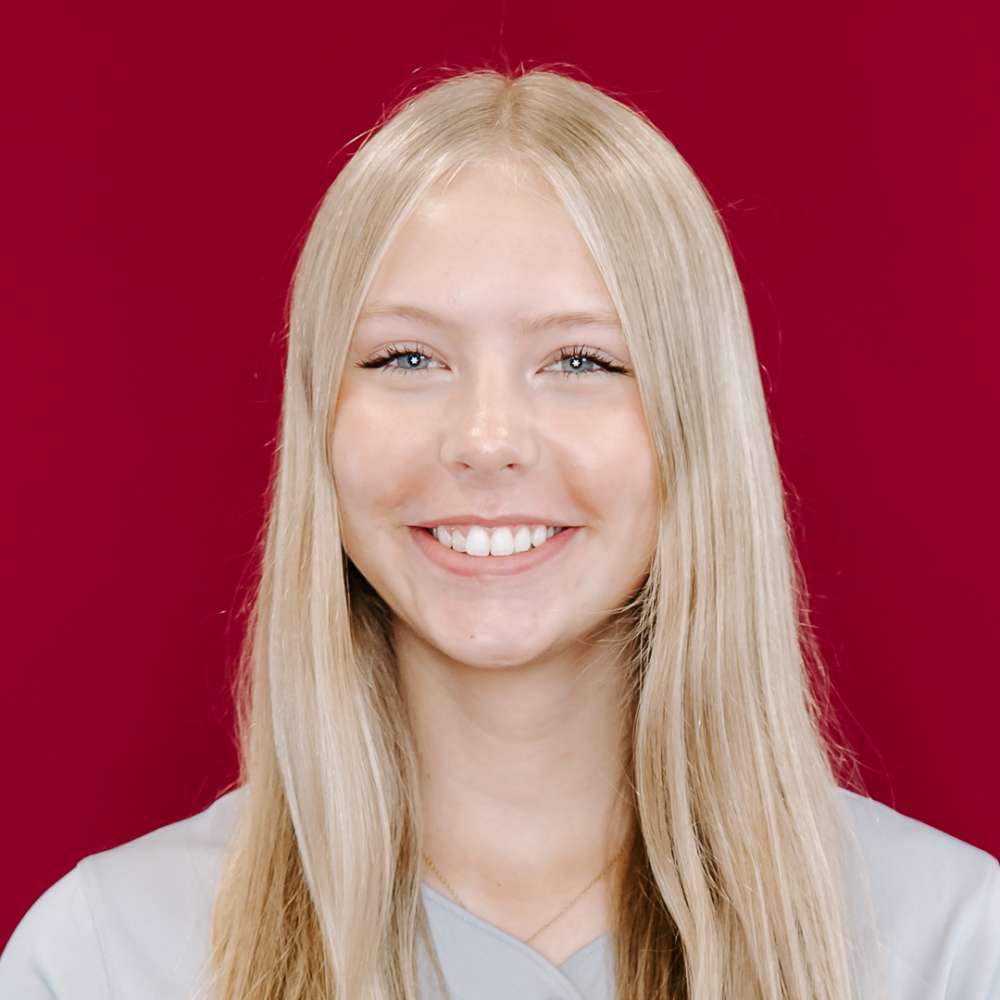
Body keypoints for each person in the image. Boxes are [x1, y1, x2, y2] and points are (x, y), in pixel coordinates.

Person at [2, 65, 997, 1000]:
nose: (485, 440)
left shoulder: (950, 949)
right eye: (405, 357)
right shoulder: (106, 959)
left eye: (580, 361)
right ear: (321, 426)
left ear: (696, 422)